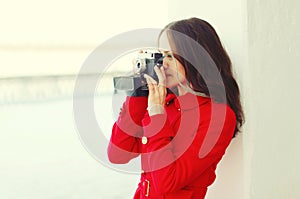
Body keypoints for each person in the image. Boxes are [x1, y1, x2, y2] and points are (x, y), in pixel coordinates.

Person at [107, 17, 244, 199]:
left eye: (171, 56)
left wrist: (156, 114)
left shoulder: (218, 117)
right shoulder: (166, 101)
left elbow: (166, 184)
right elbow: (118, 154)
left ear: (195, 58)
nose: (163, 64)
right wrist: (139, 95)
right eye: (161, 55)